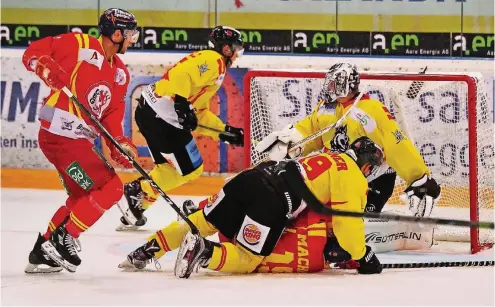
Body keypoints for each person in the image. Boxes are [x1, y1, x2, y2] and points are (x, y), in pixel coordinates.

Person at [119, 137, 384, 278]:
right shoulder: (353, 176)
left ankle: (146, 250)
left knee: (200, 220)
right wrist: (362, 255)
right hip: (271, 200)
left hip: (249, 177)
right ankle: (204, 251)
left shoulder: (328, 155)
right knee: (247, 260)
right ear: (367, 165)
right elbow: (347, 227)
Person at [256, 62, 441, 256]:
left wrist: (419, 176)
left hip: (373, 178)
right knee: (309, 218)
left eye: (334, 84)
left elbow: (396, 142)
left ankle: (375, 243)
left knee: (349, 230)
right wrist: (292, 141)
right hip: (336, 177)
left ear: (346, 85)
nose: (328, 87)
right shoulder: (325, 108)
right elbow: (312, 130)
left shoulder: (371, 110)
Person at [23, 8, 139, 273]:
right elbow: (33, 53)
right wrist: (41, 65)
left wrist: (118, 144)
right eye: (130, 33)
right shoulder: (80, 44)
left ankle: (43, 249)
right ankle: (65, 239)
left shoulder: (120, 73)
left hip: (74, 142)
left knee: (84, 196)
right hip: (59, 134)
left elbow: (110, 118)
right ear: (117, 33)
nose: (133, 39)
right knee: (113, 189)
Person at [116, 26, 245, 231]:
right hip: (162, 118)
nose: (238, 55)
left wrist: (224, 131)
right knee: (192, 169)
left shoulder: (211, 65)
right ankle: (138, 189)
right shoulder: (214, 60)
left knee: (166, 170)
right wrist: (181, 103)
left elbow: (200, 112)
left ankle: (135, 206)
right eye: (237, 49)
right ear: (226, 48)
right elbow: (181, 74)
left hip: (149, 112)